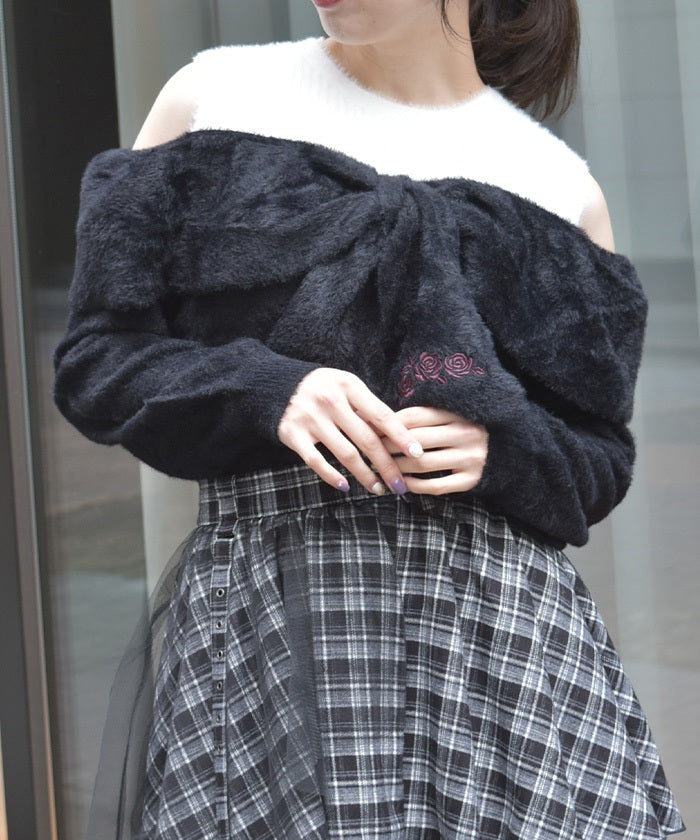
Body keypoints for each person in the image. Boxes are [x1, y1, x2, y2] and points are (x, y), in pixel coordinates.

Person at [54, 0, 685, 837]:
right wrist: (269, 388)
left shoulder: (561, 188)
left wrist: (501, 447)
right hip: (273, 621)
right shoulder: (213, 98)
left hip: (501, 636)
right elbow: (98, 360)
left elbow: (598, 460)